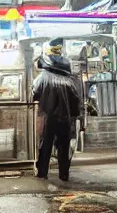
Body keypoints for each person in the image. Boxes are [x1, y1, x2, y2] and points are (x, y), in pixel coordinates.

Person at [33, 38, 81, 181]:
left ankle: (42, 173)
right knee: (63, 148)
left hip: (48, 118)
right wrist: (73, 117)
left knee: (45, 146)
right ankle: (64, 174)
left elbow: (34, 94)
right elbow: (76, 103)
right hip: (65, 120)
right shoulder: (70, 81)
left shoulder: (42, 78)